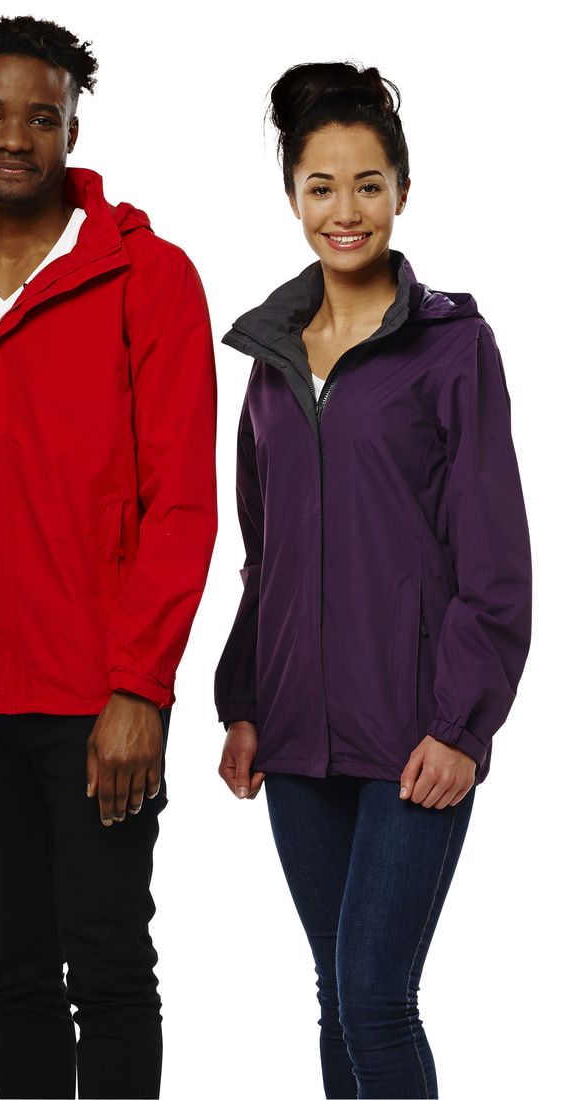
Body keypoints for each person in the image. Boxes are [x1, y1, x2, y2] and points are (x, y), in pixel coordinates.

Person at [0, 16, 217, 1100]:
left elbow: (181, 504)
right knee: (13, 974)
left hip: (95, 698)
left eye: (41, 115)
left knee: (108, 966)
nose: (14, 137)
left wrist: (140, 687)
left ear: (74, 126)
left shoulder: (148, 277)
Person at [215, 62, 532, 1099]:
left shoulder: (451, 347)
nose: (343, 211)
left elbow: (493, 557)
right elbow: (261, 550)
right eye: (320, 187)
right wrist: (245, 701)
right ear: (291, 196)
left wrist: (461, 725)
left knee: (375, 1000)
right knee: (335, 997)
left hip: (413, 731)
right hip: (294, 735)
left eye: (366, 185)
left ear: (402, 190)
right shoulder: (271, 357)